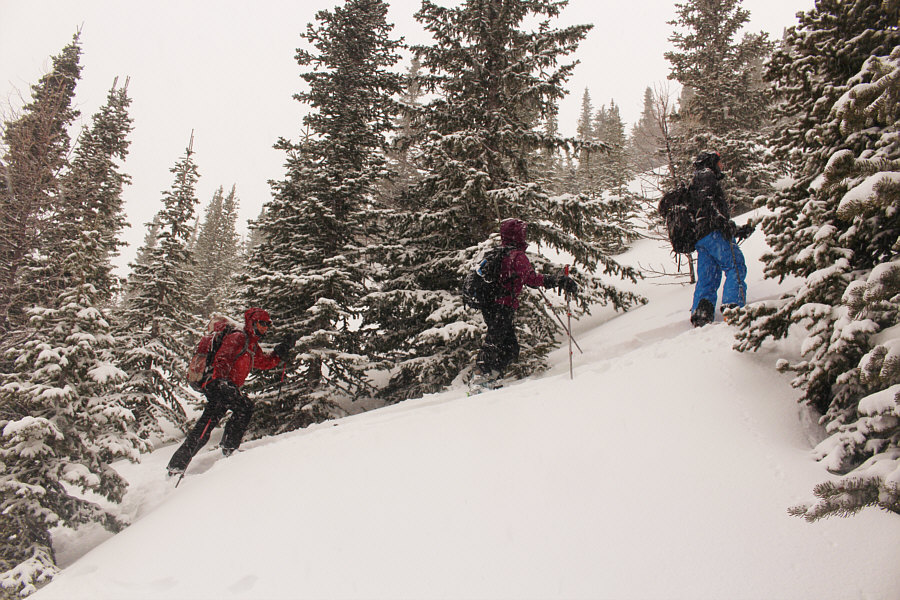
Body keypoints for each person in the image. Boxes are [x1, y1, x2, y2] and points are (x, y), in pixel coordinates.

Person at [167, 307, 292, 475]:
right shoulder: (238, 337)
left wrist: (280, 352)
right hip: (218, 385)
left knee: (207, 425)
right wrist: (222, 382)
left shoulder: (251, 344)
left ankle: (178, 465)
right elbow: (222, 359)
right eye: (262, 323)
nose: (266, 327)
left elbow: (264, 362)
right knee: (243, 408)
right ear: (252, 323)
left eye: (268, 324)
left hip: (225, 386)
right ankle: (227, 450)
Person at [474, 218, 578, 385]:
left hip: (490, 304)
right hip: (502, 304)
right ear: (517, 235)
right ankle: (481, 377)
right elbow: (531, 279)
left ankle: (492, 377)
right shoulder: (516, 255)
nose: (525, 235)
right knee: (496, 341)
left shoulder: (498, 252)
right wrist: (558, 280)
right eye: (522, 232)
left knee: (509, 347)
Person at [688, 151, 751, 327]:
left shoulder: (696, 180)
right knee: (735, 266)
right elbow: (710, 205)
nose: (722, 165)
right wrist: (723, 223)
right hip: (714, 234)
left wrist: (737, 230)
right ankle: (733, 308)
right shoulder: (707, 176)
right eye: (720, 162)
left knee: (708, 277)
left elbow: (704, 211)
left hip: (702, 238)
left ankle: (702, 313)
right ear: (712, 162)